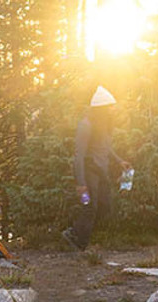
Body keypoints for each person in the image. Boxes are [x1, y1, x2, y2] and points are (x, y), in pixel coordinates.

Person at [63, 86, 131, 251]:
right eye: (108, 108)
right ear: (100, 109)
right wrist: (81, 183)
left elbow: (105, 147)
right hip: (88, 172)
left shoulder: (104, 125)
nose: (111, 111)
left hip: (101, 172)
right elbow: (78, 155)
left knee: (105, 206)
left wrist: (119, 161)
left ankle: (76, 232)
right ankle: (77, 240)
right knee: (88, 205)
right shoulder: (85, 125)